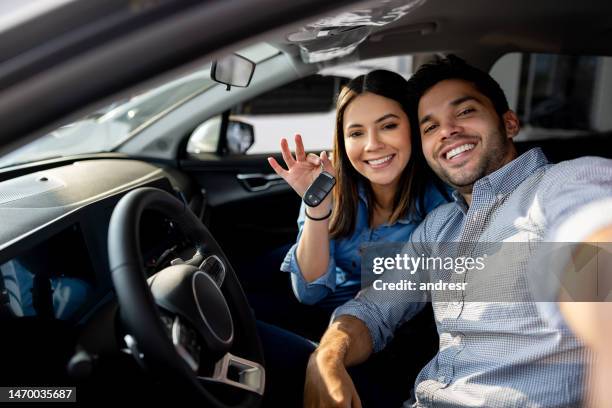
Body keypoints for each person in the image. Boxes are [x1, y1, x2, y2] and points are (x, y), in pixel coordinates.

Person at [297, 55, 612, 407]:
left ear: (509, 122)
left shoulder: (560, 185)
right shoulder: (439, 227)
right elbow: (373, 309)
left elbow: (597, 252)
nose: (447, 131)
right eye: (429, 127)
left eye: (464, 112)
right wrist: (326, 357)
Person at [267, 70, 449, 316]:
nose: (372, 144)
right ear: (342, 141)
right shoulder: (327, 184)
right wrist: (317, 207)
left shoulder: (440, 207)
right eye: (356, 133)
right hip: (315, 308)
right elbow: (309, 293)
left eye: (388, 126)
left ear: (413, 128)